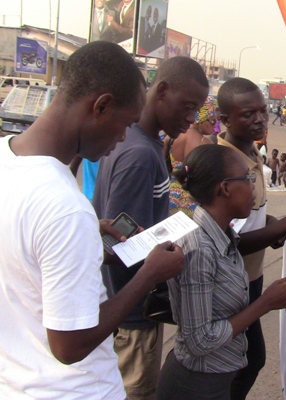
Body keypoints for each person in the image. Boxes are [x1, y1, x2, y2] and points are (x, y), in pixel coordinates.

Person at [0, 41, 183, 399]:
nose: (120, 139)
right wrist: (149, 275)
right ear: (100, 107)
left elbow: (23, 260)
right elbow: (70, 346)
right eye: (125, 124)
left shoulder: (8, 161)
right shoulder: (64, 207)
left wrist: (89, 241)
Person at [156, 145, 286, 400]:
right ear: (225, 188)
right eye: (248, 178)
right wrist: (266, 302)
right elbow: (199, 340)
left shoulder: (222, 235)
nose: (254, 186)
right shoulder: (199, 249)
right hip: (195, 387)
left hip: (214, 381)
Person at [92, 56, 209, 400]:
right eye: (187, 108)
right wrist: (165, 253)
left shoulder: (142, 144)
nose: (190, 121)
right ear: (161, 91)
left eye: (197, 112)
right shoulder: (139, 155)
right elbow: (114, 245)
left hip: (128, 307)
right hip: (130, 314)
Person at [216, 77, 286, 399]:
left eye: (262, 110)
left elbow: (252, 213)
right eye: (248, 114)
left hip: (252, 275)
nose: (259, 119)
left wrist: (271, 224)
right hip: (231, 281)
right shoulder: (225, 164)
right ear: (226, 120)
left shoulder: (253, 154)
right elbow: (229, 241)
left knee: (249, 360)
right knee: (240, 363)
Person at [165, 99, 216, 217]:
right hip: (192, 203)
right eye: (212, 121)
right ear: (201, 118)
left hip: (169, 197)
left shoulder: (172, 137)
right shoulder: (206, 143)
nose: (215, 125)